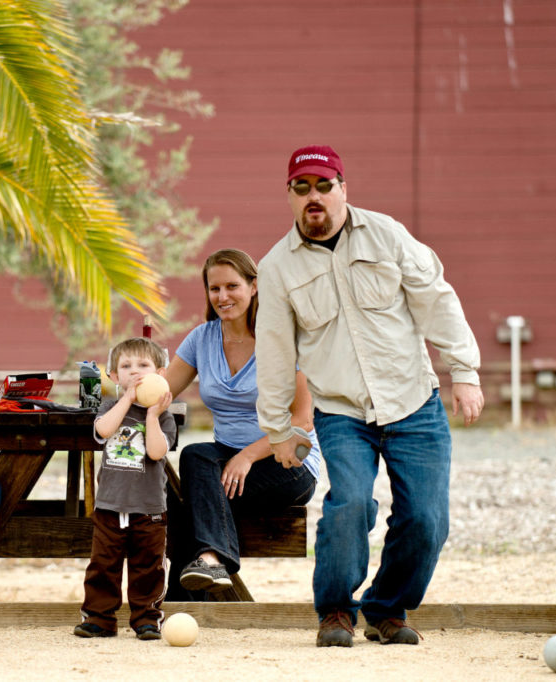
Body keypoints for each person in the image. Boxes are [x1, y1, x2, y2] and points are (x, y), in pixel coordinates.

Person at [256, 145, 485, 647]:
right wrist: (278, 430)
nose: (313, 196)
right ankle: (336, 610)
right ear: (290, 196)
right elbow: (273, 352)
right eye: (302, 187)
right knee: (351, 504)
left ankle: (387, 608)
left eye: (323, 185)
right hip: (341, 411)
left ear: (343, 187)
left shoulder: (388, 235)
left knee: (426, 519)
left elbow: (437, 301)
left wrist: (464, 371)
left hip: (413, 402)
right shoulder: (276, 268)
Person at [164, 249, 322, 596]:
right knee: (194, 458)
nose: (223, 297)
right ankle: (203, 572)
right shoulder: (201, 339)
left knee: (190, 500)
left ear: (254, 286)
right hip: (226, 460)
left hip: (287, 462)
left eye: (232, 286)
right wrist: (129, 383)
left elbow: (303, 421)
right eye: (214, 288)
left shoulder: (284, 339)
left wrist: (248, 456)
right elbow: (163, 390)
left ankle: (200, 574)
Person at [73, 337, 177, 640]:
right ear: (115, 377)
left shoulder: (165, 417)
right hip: (110, 505)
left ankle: (146, 618)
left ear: (159, 373)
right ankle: (99, 618)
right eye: (127, 367)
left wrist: (153, 416)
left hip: (149, 508)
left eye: (143, 365)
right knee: (103, 565)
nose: (135, 372)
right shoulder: (110, 407)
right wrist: (128, 400)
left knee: (149, 567)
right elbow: (104, 431)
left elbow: (157, 452)